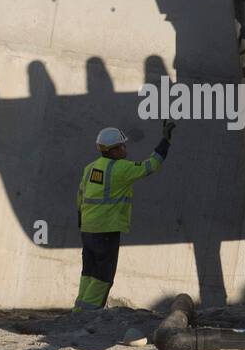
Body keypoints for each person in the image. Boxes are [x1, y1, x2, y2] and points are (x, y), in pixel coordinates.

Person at [73, 122, 174, 310]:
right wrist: (165, 140)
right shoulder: (121, 169)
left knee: (89, 272)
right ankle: (87, 314)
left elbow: (80, 197)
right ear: (113, 150)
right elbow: (151, 165)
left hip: (88, 230)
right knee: (103, 276)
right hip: (106, 230)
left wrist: (82, 222)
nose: (125, 148)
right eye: (122, 146)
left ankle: (78, 309)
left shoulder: (90, 168)